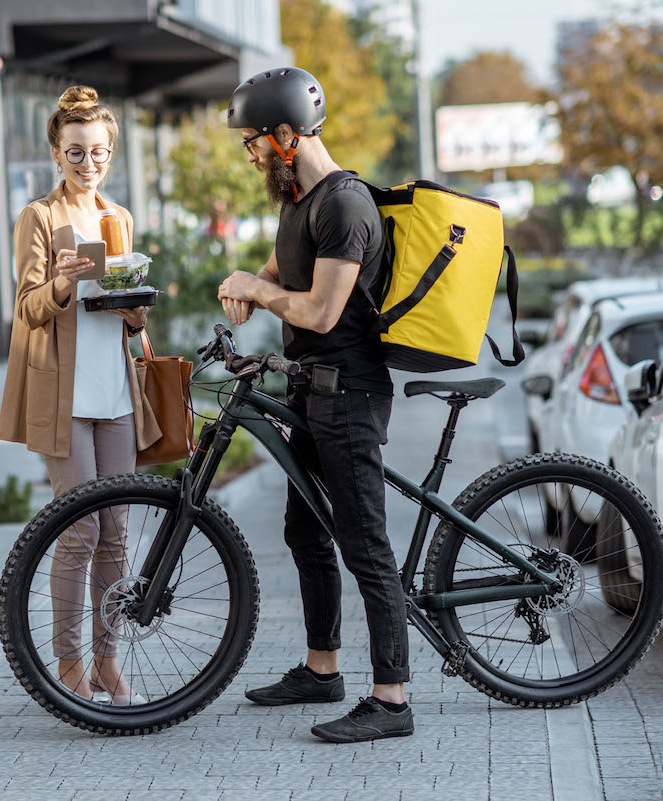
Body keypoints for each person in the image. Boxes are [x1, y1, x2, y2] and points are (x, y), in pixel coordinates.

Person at [217, 67, 413, 743]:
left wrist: (261, 291)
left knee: (366, 547)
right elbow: (279, 272)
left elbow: (324, 311)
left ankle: (391, 699)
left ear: (285, 135)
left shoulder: (345, 205)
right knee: (305, 532)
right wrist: (248, 284)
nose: (249, 156)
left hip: (350, 394)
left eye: (252, 143)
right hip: (310, 387)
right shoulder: (297, 198)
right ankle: (321, 667)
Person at [0, 85, 161, 706]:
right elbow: (26, 309)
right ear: (56, 153)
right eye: (75, 152)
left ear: (110, 154)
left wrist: (138, 310)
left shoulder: (117, 218)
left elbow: (127, 318)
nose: (87, 162)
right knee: (79, 532)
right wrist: (62, 281)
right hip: (63, 398)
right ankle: (69, 665)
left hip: (116, 394)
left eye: (98, 152)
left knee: (117, 530)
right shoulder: (39, 218)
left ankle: (109, 660)